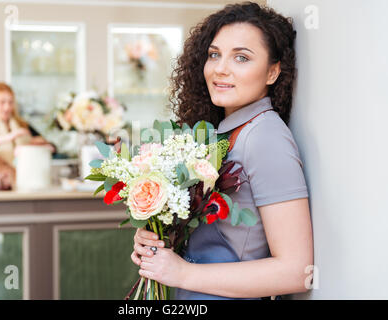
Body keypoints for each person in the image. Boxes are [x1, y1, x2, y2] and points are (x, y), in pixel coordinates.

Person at [131, 2, 313, 299]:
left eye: (241, 58)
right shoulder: (221, 132)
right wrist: (158, 241)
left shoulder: (266, 136)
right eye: (214, 54)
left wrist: (182, 272)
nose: (220, 69)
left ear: (272, 72)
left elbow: (297, 270)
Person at [0, 82, 55, 190]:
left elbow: (52, 147)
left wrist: (36, 143)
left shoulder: (23, 126)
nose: (7, 107)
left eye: (10, 102)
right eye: (2, 102)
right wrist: (4, 139)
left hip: (24, 186)